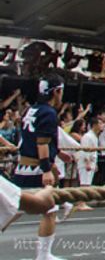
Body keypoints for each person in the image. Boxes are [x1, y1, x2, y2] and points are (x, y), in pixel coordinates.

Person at [13, 74, 66, 260]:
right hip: (36, 168)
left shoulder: (31, 110)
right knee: (49, 209)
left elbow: (36, 139)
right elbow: (42, 143)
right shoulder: (49, 113)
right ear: (57, 92)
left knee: (14, 208)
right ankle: (43, 255)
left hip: (24, 165)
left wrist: (57, 154)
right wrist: (46, 169)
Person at [76, 116, 101, 212]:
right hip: (86, 162)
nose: (101, 126)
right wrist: (87, 162)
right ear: (94, 125)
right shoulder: (87, 136)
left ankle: (83, 202)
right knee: (84, 183)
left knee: (87, 183)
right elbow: (85, 150)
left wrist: (95, 163)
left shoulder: (94, 136)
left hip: (92, 161)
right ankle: (81, 203)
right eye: (99, 124)